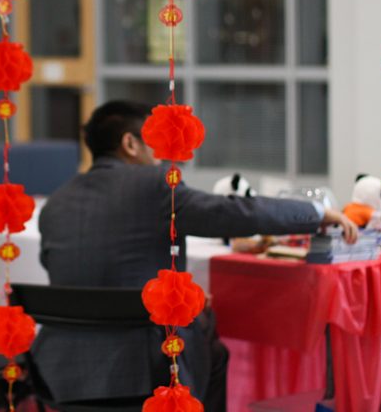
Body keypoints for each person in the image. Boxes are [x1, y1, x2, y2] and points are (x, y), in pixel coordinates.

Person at [34, 100, 358, 410]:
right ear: (130, 144)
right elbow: (233, 213)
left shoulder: (56, 203)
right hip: (148, 368)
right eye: (155, 143)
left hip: (63, 372)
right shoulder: (154, 185)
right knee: (207, 335)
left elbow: (78, 272)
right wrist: (317, 213)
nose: (162, 156)